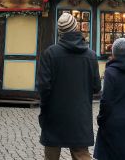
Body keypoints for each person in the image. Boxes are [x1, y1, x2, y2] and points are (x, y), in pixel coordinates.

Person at [36, 13, 101, 160]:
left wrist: (44, 111)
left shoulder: (50, 54)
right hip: (80, 115)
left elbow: (43, 87)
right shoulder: (90, 55)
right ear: (76, 27)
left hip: (54, 115)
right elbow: (97, 87)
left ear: (60, 32)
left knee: (51, 155)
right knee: (81, 154)